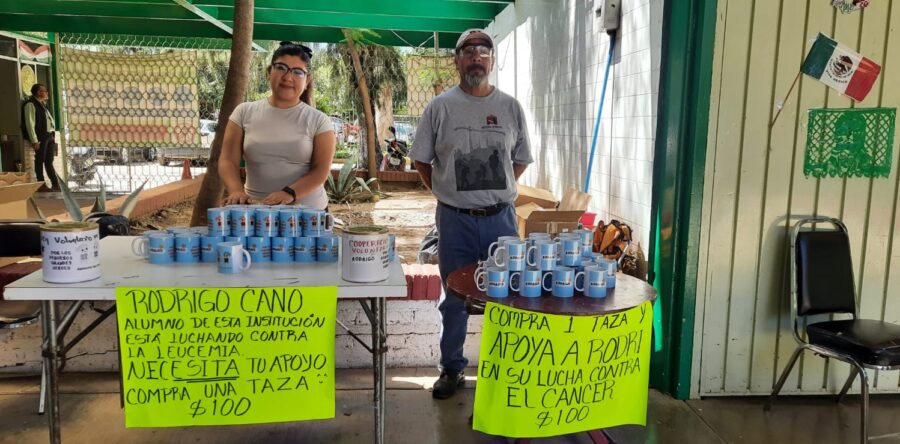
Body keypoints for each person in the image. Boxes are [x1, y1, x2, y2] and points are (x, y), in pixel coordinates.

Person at [411, 29, 533, 399]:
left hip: (501, 220)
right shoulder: (440, 107)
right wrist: (447, 194)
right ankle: (452, 370)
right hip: (455, 221)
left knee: (510, 296)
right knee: (454, 297)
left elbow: (521, 159)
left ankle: (507, 369)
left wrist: (496, 191)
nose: (476, 56)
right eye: (468, 51)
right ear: (457, 60)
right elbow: (420, 160)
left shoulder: (510, 107)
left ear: (491, 60)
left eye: (483, 51)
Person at [220, 42, 336, 208]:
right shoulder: (243, 112)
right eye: (281, 68)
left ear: (307, 80)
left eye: (298, 72)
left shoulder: (319, 120)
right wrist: (236, 191)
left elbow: (320, 171)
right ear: (269, 72)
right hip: (255, 211)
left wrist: (289, 193)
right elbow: (227, 160)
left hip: (307, 213)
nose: (288, 77)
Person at [21, 83, 60, 192]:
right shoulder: (30, 104)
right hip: (41, 137)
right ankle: (40, 184)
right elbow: (30, 123)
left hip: (49, 136)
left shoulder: (43, 104)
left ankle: (56, 184)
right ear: (38, 92)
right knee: (39, 160)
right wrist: (34, 140)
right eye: (45, 91)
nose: (47, 93)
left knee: (49, 161)